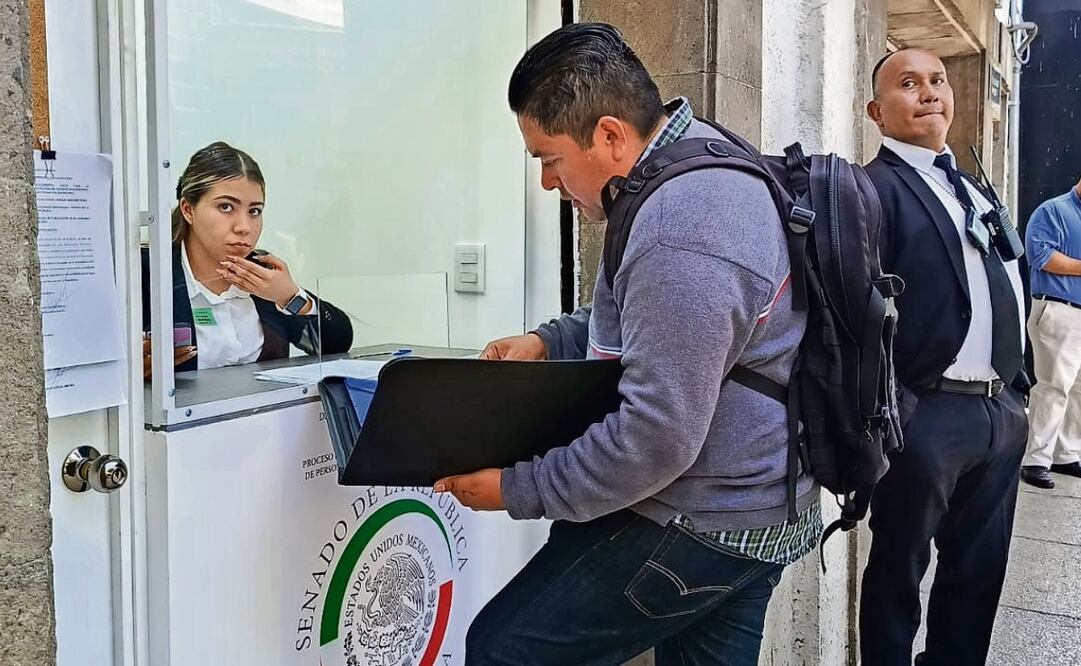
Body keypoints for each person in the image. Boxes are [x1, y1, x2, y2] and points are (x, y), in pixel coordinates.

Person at [434, 23, 819, 665]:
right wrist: (550, 341)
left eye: (549, 159)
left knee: (504, 649)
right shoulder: (699, 154)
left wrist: (517, 488)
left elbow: (656, 437)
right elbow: (664, 320)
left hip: (702, 518)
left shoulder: (679, 226)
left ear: (611, 135)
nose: (547, 183)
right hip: (759, 504)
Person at [858, 49, 1028, 665]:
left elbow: (1006, 278)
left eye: (937, 80)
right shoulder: (871, 190)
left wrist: (1019, 390)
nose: (929, 92)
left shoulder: (974, 187)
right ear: (877, 112)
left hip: (998, 412)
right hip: (924, 414)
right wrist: (895, 408)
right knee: (898, 573)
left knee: (977, 577)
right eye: (908, 84)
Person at [141, 141, 352, 378]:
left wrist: (290, 297)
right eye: (226, 207)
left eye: (254, 211)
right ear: (188, 210)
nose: (244, 227)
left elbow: (337, 344)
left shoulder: (262, 274)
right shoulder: (145, 274)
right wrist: (131, 372)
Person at [1020, 176, 1081, 489]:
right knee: (1053, 386)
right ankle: (1036, 460)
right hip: (1058, 309)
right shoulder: (1053, 211)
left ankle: (1066, 453)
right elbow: (1041, 257)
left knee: (1079, 389)